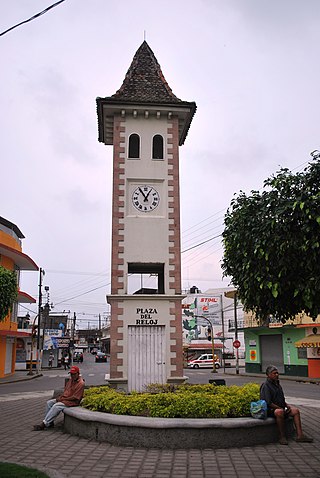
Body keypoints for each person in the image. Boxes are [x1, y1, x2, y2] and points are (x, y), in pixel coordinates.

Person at [260, 365, 313, 445]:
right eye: (274, 373)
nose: (277, 375)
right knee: (279, 412)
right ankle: (282, 436)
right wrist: (281, 408)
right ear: (269, 375)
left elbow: (282, 398)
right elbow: (268, 402)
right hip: (271, 410)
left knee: (295, 411)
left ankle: (300, 435)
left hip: (281, 407)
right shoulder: (266, 386)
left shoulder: (277, 384)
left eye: (277, 373)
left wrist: (286, 405)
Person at [33, 365, 85, 431]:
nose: (72, 376)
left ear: (78, 374)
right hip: (64, 399)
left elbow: (75, 397)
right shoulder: (70, 381)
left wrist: (62, 399)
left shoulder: (81, 383)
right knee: (49, 403)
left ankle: (44, 424)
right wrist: (60, 398)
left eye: (74, 374)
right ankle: (50, 422)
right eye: (71, 374)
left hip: (72, 402)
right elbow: (66, 392)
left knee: (56, 406)